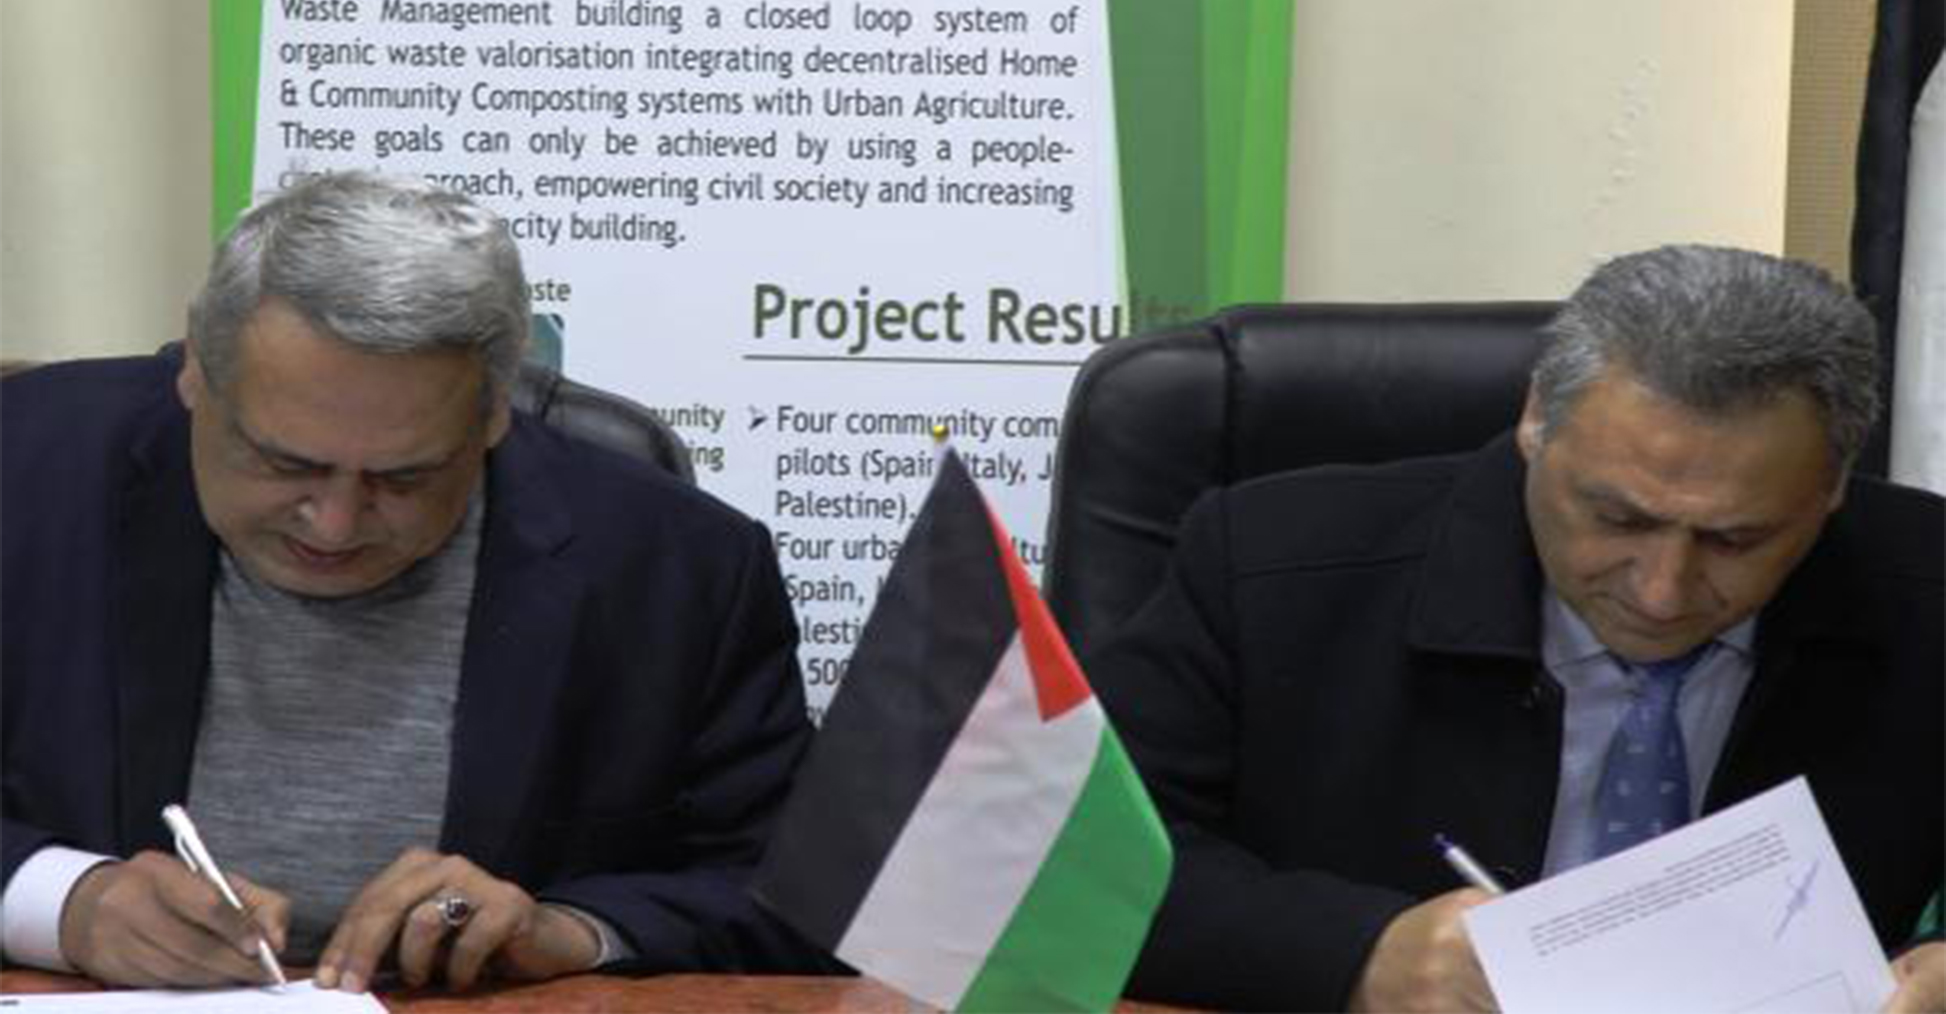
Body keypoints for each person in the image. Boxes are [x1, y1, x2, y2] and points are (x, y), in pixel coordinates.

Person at [0, 172, 820, 992]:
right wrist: (64, 901)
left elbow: (791, 898)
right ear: (195, 372)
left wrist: (568, 932)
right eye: (285, 463)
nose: (334, 524)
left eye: (404, 478)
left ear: (493, 413)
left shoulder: (673, 568)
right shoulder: (24, 469)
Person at [1087, 245, 1943, 1011]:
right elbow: (1079, 869)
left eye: (1736, 540)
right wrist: (1358, 953)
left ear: (1832, 486)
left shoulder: (1928, 592)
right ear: (1536, 420)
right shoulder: (1270, 565)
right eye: (1618, 519)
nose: (1661, 591)